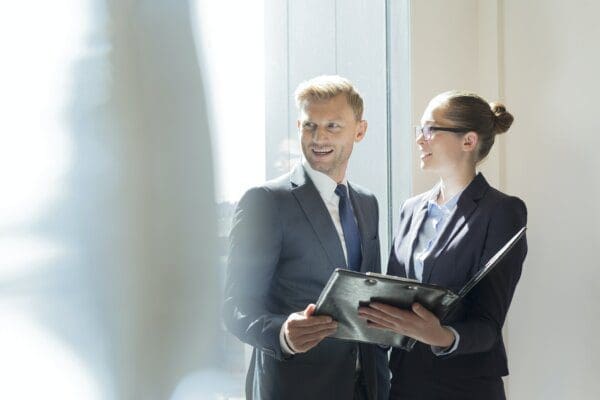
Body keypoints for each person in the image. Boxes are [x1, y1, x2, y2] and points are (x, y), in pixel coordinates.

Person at [223, 75, 390, 400]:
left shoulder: (367, 203)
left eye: (332, 126)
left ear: (360, 130)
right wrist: (284, 334)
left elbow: (369, 295)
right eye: (309, 126)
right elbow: (235, 307)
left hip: (367, 387)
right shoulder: (265, 201)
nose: (319, 137)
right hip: (294, 388)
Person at [358, 91, 527, 400]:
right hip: (405, 383)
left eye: (430, 130)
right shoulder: (411, 209)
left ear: (468, 141)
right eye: (419, 130)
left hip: (465, 387)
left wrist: (441, 336)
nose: (420, 140)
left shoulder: (502, 211)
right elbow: (395, 296)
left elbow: (488, 325)